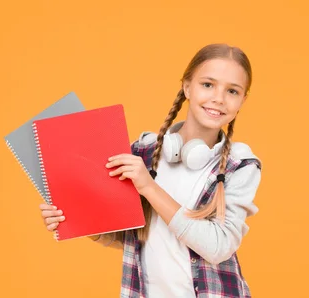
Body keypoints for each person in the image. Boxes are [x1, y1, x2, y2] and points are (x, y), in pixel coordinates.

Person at [39, 43, 263, 298]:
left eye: (232, 91)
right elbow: (132, 237)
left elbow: (217, 247)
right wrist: (74, 220)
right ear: (187, 86)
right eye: (208, 85)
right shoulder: (143, 153)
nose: (218, 98)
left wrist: (149, 187)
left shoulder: (241, 165)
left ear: (242, 100)